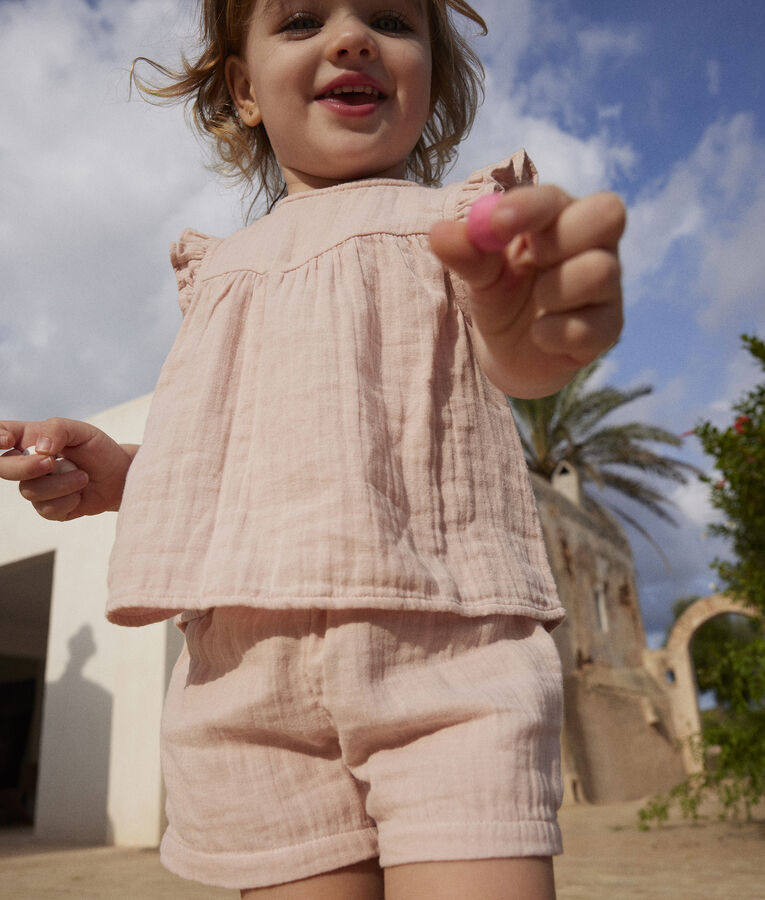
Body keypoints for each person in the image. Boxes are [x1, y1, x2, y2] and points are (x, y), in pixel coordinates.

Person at [0, 0, 625, 896]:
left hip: (446, 653)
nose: (350, 36)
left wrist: (531, 328)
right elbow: (238, 454)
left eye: (388, 18)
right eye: (300, 19)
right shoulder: (215, 274)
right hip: (248, 683)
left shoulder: (463, 224)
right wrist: (127, 475)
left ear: (432, 79)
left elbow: (514, 358)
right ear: (245, 88)